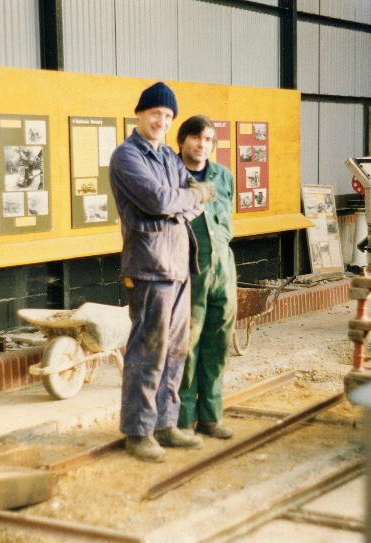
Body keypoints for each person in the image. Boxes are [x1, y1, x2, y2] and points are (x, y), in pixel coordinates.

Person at [109, 82, 218, 463]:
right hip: (150, 266)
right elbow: (158, 200)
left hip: (179, 264)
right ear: (140, 114)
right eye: (156, 113)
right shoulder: (126, 157)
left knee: (176, 349)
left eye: (168, 116)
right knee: (148, 350)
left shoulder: (169, 157)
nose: (161, 120)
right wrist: (186, 199)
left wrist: (181, 202)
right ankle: (138, 431)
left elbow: (192, 200)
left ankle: (165, 424)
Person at [175, 116, 237, 440]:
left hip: (223, 267)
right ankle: (183, 421)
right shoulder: (172, 176)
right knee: (187, 345)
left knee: (218, 343)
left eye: (209, 139)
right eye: (196, 138)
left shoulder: (223, 176)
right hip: (188, 270)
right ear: (182, 140)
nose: (203, 144)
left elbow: (228, 220)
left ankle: (211, 418)